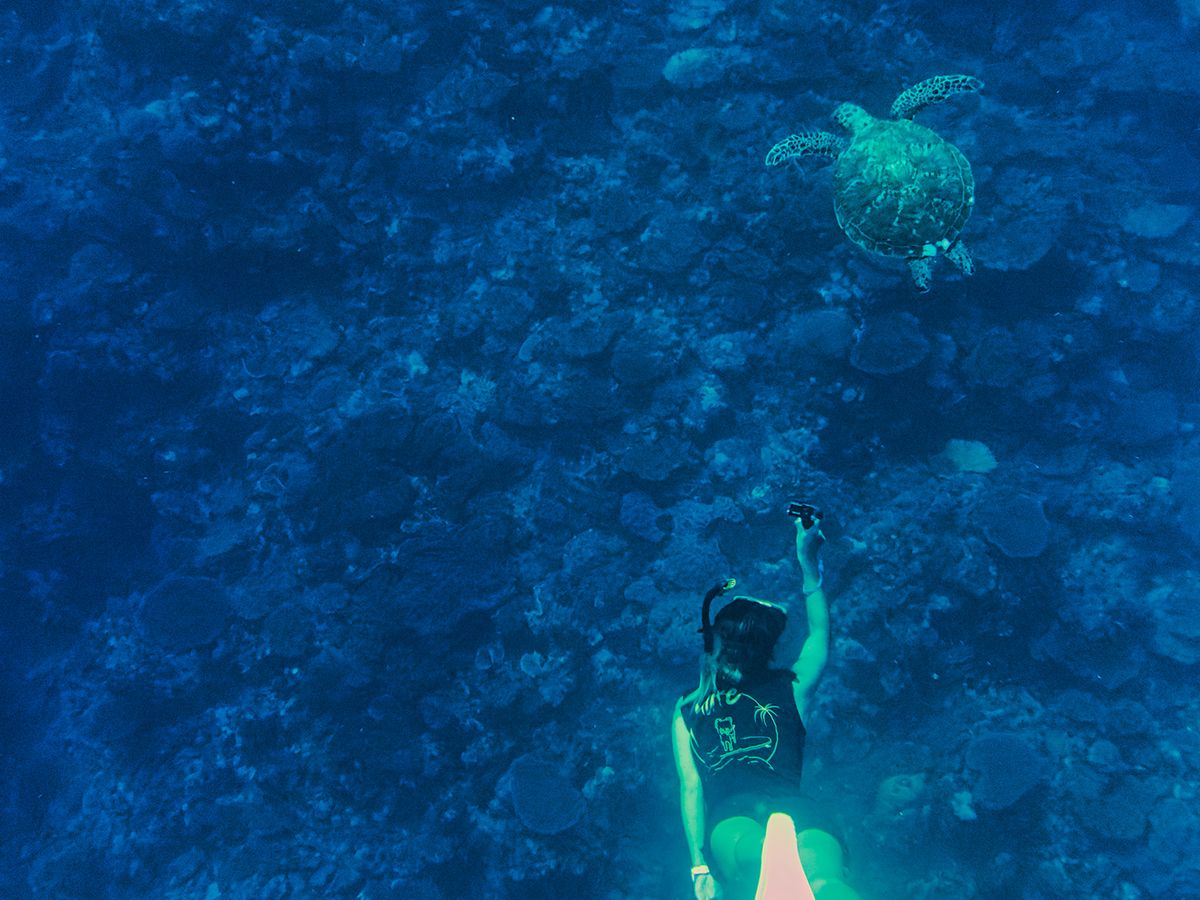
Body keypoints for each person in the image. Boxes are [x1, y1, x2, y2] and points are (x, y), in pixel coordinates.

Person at [671, 506, 860, 900]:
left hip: (733, 814)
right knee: (826, 881)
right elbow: (819, 634)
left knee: (745, 854)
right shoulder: (792, 686)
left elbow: (691, 789)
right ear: (768, 649)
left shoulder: (688, 709)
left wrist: (699, 866)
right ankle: (805, 872)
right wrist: (808, 561)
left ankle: (765, 857)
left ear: (714, 643)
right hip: (798, 809)